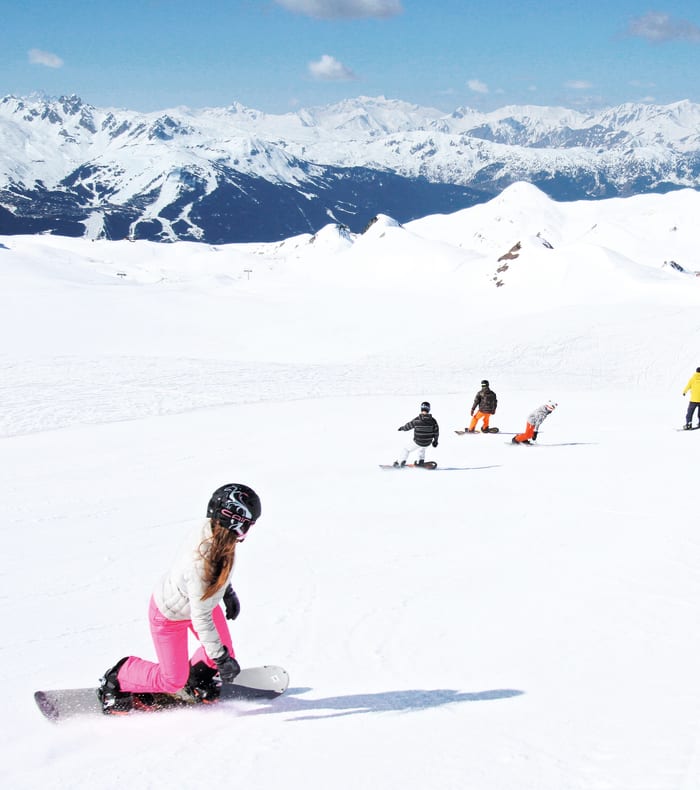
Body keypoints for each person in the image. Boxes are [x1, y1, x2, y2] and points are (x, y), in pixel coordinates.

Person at [97, 483, 261, 714]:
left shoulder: (217, 534)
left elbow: (215, 576)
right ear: (236, 520)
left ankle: (195, 679)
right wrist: (221, 660)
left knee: (221, 652)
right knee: (173, 681)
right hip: (169, 615)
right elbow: (202, 615)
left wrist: (227, 592)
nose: (249, 530)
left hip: (200, 602)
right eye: (249, 524)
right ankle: (119, 677)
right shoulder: (202, 562)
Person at [394, 401, 439, 466]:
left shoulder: (417, 420)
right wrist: (435, 441)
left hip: (418, 441)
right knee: (422, 448)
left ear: (421, 409)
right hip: (428, 442)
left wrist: (402, 428)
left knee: (406, 449)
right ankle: (420, 461)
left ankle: (400, 462)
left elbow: (408, 426)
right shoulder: (433, 420)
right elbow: (436, 432)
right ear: (429, 409)